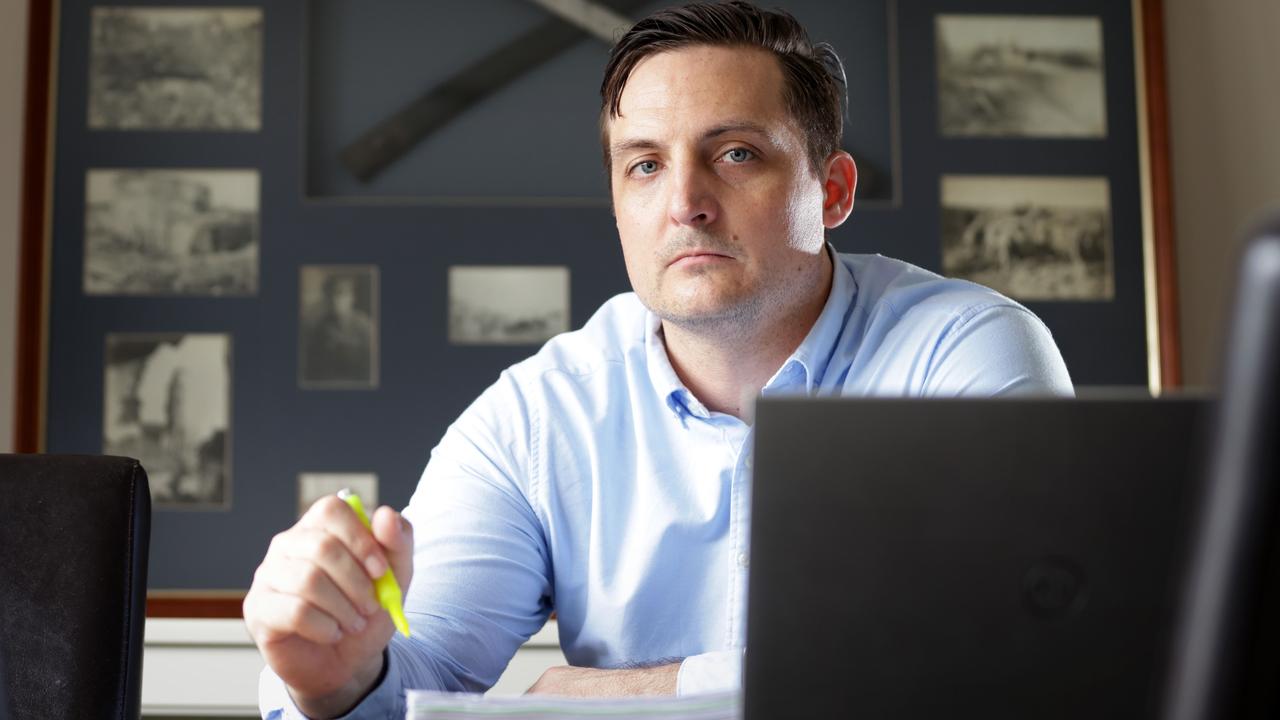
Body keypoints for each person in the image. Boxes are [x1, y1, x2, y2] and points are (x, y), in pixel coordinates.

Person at [246, 2, 1074, 717]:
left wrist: (630, 692)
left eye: (737, 153)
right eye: (645, 164)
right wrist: (337, 682)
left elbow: (1007, 658)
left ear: (832, 191)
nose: (685, 203)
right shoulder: (539, 417)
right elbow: (416, 685)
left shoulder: (966, 355)